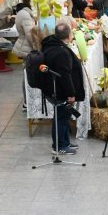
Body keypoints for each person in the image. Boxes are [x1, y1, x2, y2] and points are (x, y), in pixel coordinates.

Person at [40, 23, 84, 154]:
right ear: (69, 36)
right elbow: (65, 76)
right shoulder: (61, 53)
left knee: (63, 116)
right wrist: (71, 94)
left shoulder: (51, 45)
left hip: (53, 88)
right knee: (61, 118)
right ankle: (59, 147)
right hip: (59, 91)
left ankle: (65, 142)